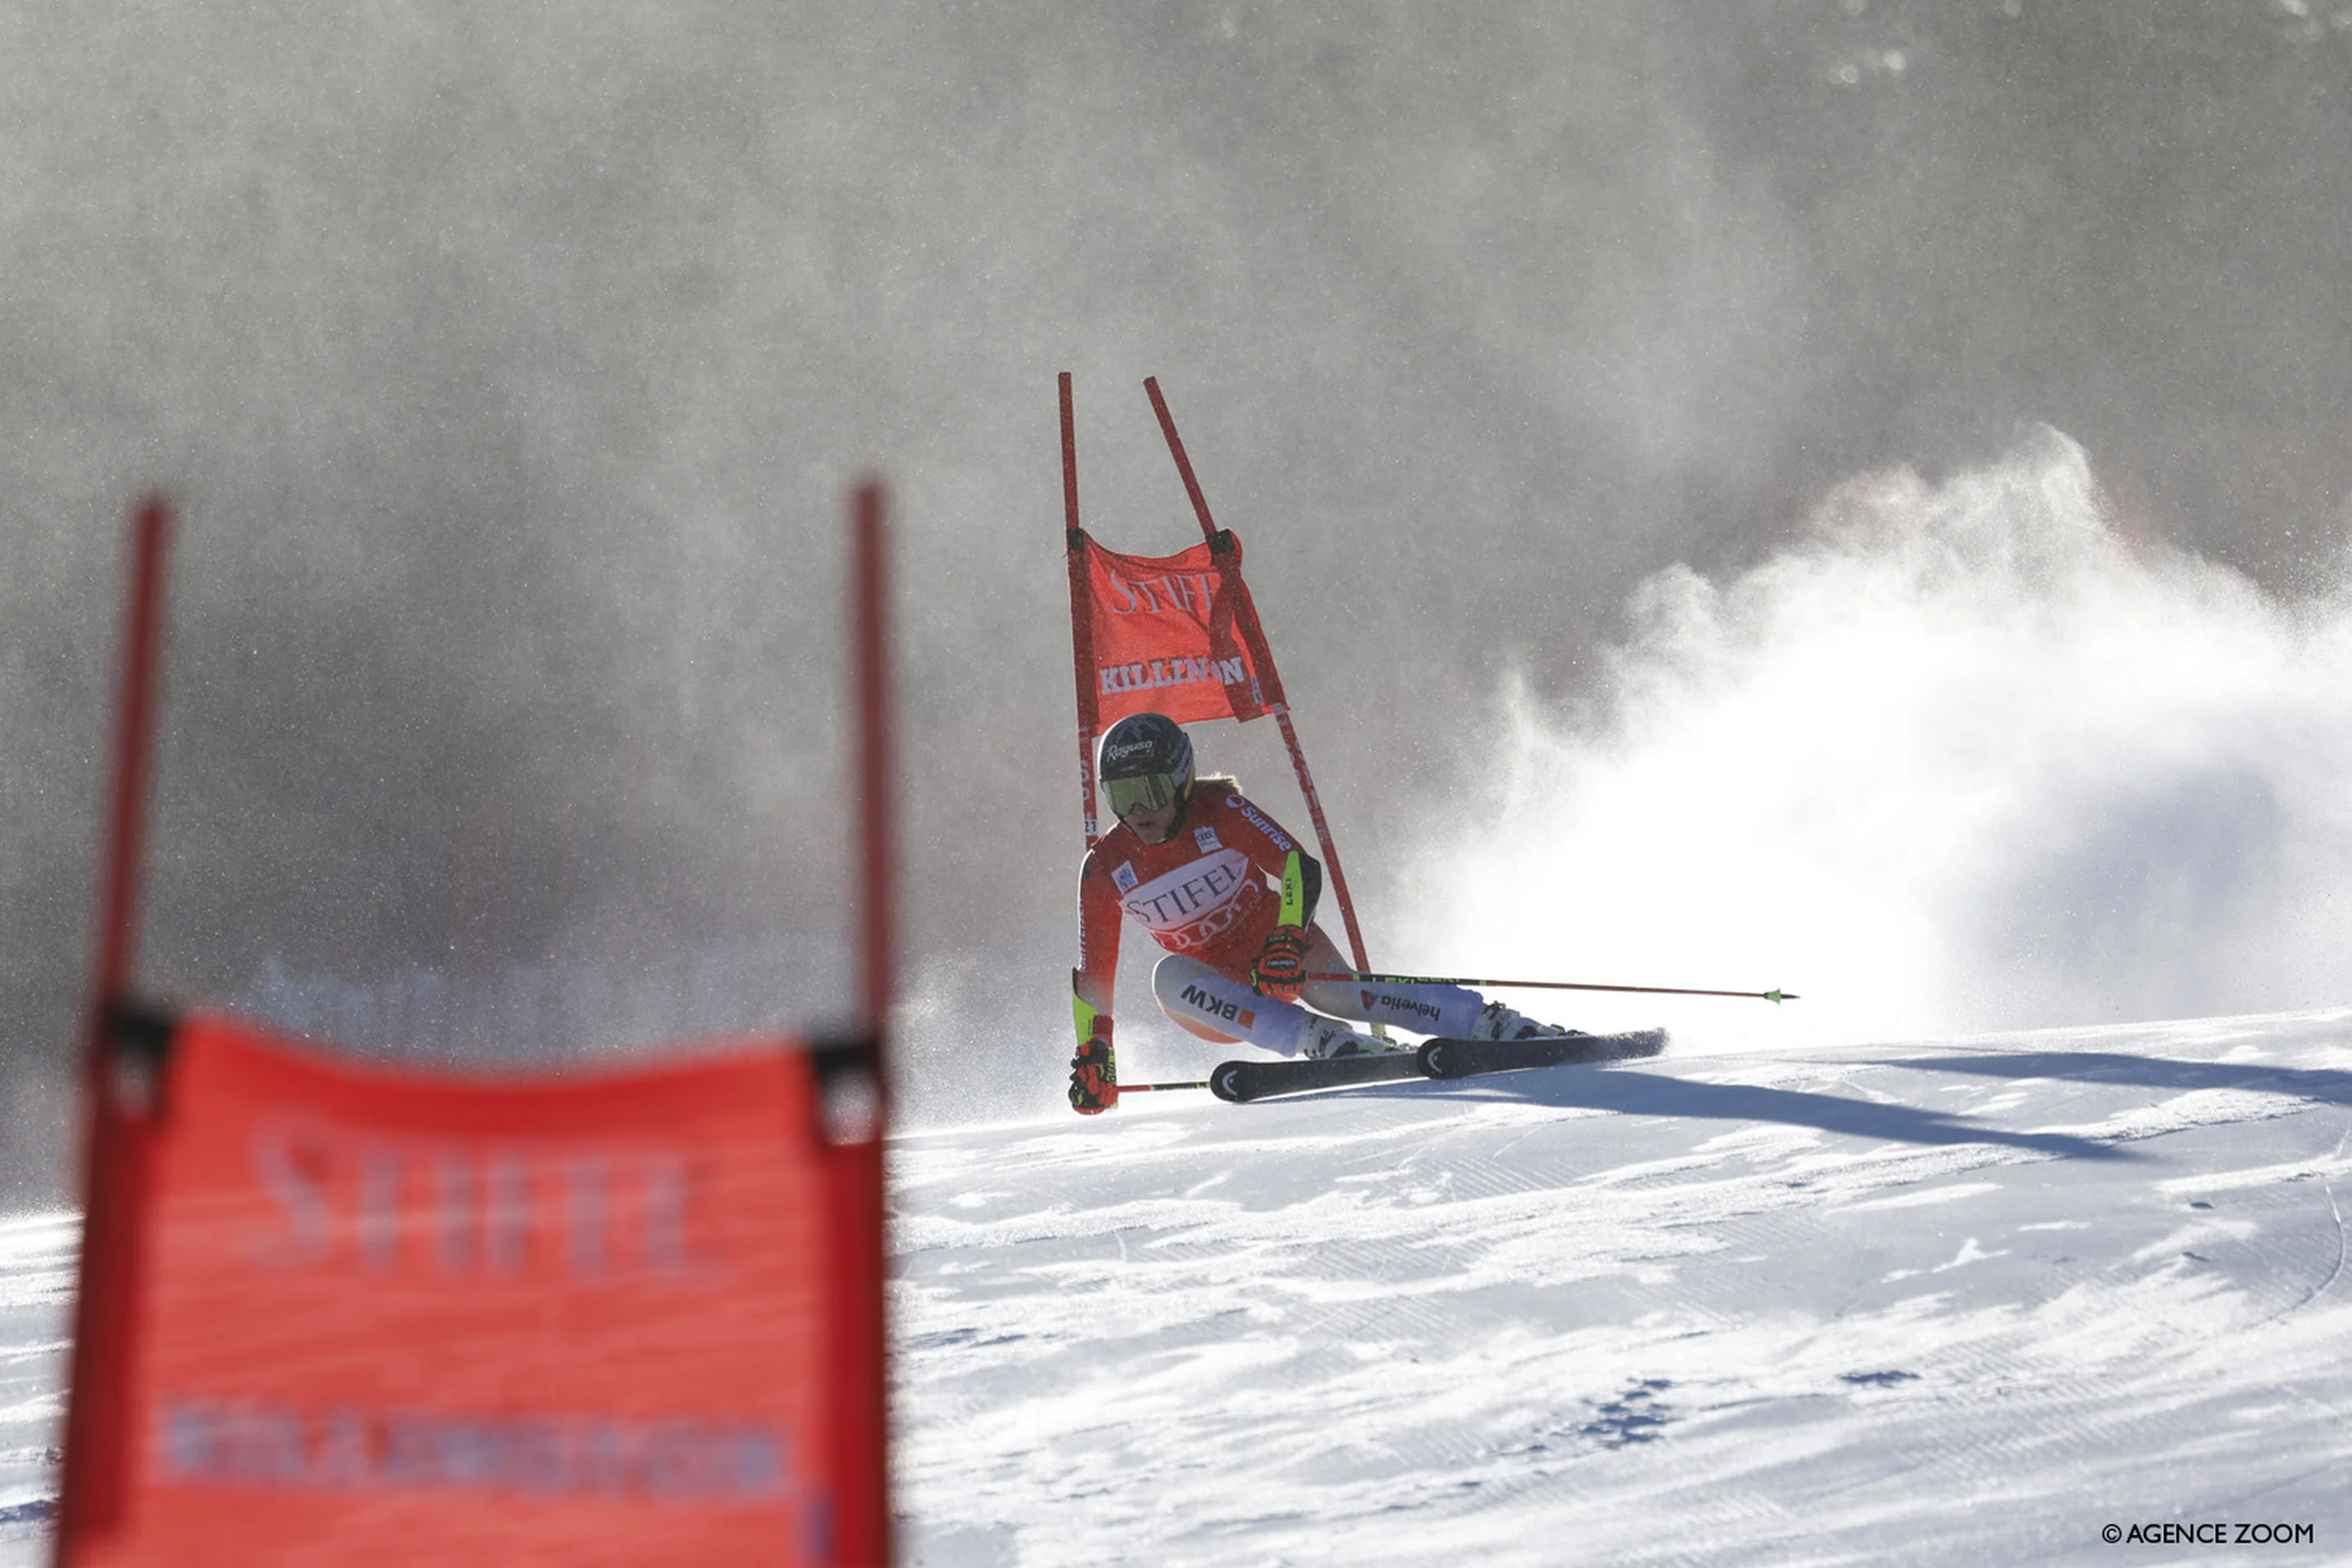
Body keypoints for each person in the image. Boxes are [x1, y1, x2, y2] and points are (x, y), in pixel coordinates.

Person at [1068, 712, 1566, 1114]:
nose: (1138, 811)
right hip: (1216, 999)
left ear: (1181, 781)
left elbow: (1296, 866)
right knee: (1168, 976)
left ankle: (1488, 1024)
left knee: (1343, 993)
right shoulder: (1104, 868)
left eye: (1150, 791)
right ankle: (1320, 1040)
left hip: (1275, 952)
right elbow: (1095, 979)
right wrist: (1095, 1054)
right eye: (1123, 795)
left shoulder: (1218, 812)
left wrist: (1287, 935)